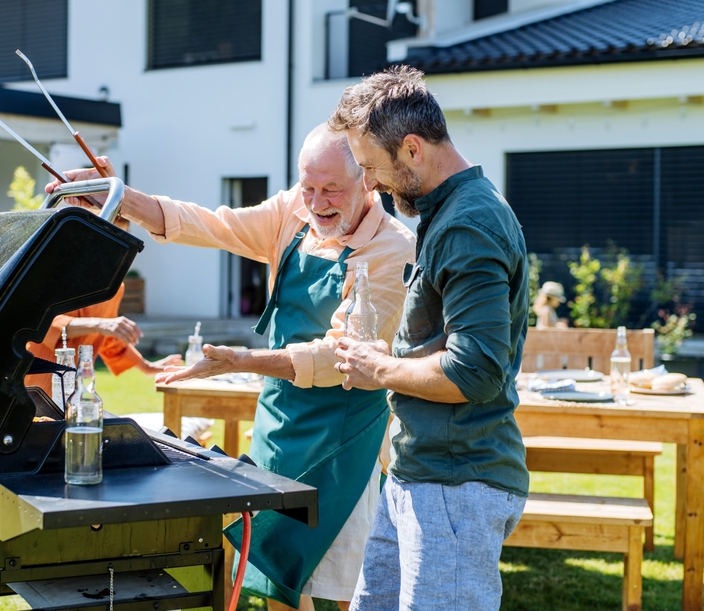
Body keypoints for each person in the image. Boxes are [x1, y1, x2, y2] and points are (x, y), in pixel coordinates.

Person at [49, 124, 415, 611]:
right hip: (280, 419)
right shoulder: (293, 210)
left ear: (368, 180)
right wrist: (117, 196)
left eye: (331, 189)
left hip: (343, 435)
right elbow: (210, 223)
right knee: (273, 576)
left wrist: (243, 361)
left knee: (334, 585)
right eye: (307, 186)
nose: (316, 201)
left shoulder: (393, 249)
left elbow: (339, 357)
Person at [328, 65, 530, 610]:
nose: (367, 184)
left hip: (456, 484)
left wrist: (379, 370)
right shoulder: (447, 215)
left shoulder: (468, 224)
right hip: (419, 475)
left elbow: (475, 372)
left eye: (370, 167)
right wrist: (385, 354)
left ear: (412, 149)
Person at [24, 284, 182, 396]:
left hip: (77, 388)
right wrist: (99, 323)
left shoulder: (115, 286)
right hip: (36, 380)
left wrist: (147, 367)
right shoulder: (61, 272)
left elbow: (108, 337)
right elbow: (41, 322)